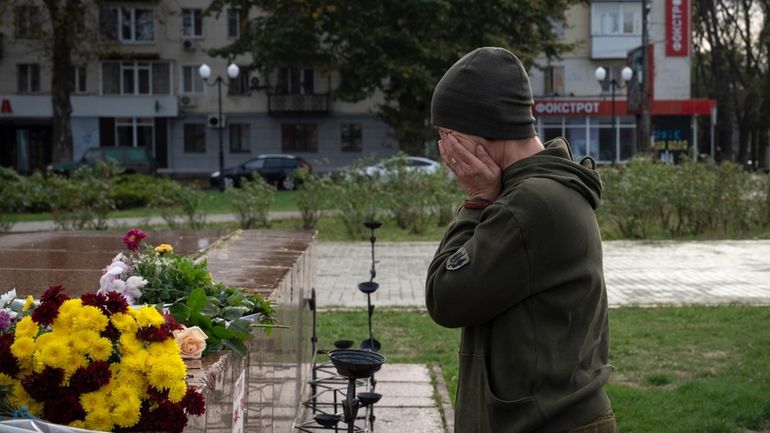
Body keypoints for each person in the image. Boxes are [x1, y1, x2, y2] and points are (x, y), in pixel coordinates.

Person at [425, 46, 617, 433]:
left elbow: (445, 297)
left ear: (482, 127)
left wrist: (477, 200)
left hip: (548, 424)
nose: (445, 149)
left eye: (449, 134)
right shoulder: (535, 192)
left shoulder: (531, 202)